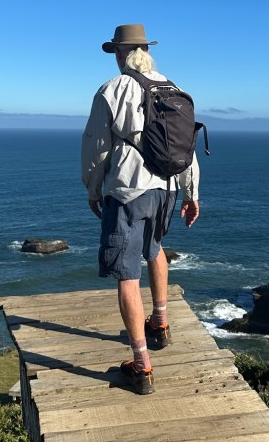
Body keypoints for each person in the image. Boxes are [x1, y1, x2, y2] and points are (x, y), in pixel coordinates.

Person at [81, 23, 200, 394]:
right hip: (167, 189)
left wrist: (93, 188)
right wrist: (191, 193)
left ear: (121, 53)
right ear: (146, 51)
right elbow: (186, 147)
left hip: (128, 191)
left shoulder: (113, 89)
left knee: (127, 274)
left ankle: (141, 365)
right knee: (155, 249)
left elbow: (96, 146)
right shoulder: (174, 89)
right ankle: (160, 324)